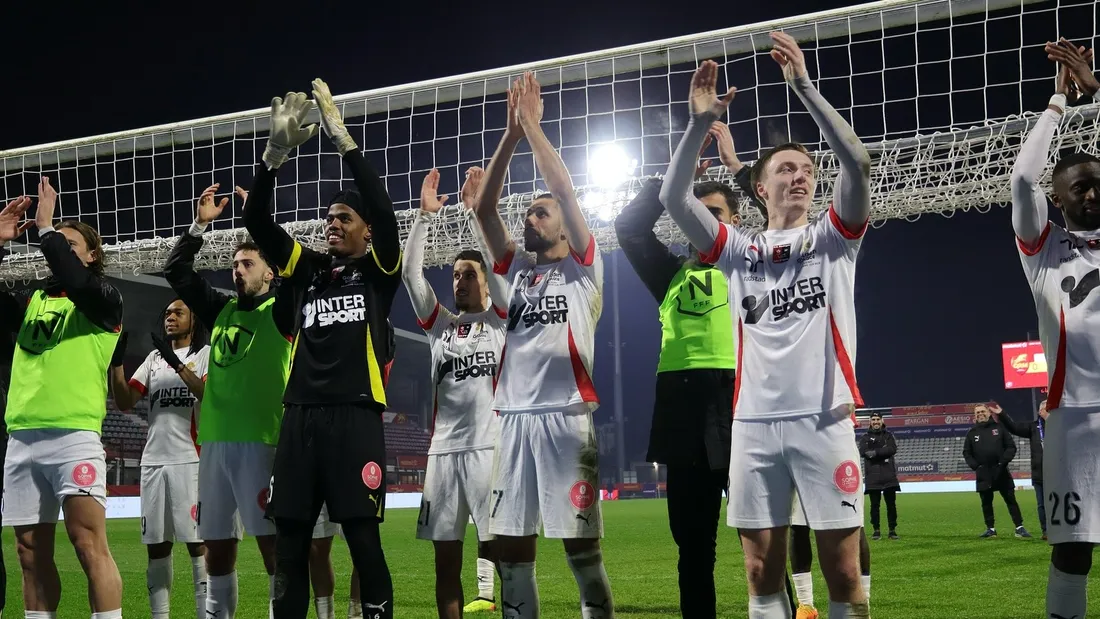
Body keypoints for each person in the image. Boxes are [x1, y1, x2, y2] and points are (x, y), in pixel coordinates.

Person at [659, 31, 873, 619]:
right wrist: (697, 124)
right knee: (759, 572)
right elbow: (672, 198)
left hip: (825, 418)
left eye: (807, 169)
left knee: (845, 570)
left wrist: (802, 86)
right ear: (760, 186)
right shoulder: (736, 247)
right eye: (786, 168)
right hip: (751, 425)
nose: (801, 176)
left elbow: (856, 162)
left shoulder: (834, 238)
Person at [242, 79, 401, 619]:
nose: (332, 224)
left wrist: (346, 145)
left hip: (355, 416)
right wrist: (274, 155)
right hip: (300, 418)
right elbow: (257, 222)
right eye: (329, 219)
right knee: (290, 548)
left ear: (366, 233)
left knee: (362, 541)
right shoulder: (306, 269)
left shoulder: (379, 272)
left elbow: (385, 210)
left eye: (344, 219)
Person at [470, 71, 613, 618]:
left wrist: (533, 126)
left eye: (539, 212)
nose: (529, 218)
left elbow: (566, 191)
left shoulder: (584, 268)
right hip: (511, 421)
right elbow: (484, 211)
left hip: (565, 417)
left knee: (580, 547)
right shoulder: (515, 273)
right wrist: (510, 132)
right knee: (510, 549)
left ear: (563, 226)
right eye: (527, 212)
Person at [615, 120, 748, 619]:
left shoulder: (752, 265)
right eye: (695, 214)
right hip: (685, 421)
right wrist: (681, 173)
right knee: (694, 552)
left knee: (764, 542)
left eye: (713, 215)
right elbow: (629, 227)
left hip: (745, 411)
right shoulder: (671, 275)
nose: (702, 224)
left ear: (733, 224)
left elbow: (775, 219)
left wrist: (737, 168)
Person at [164, 183, 295, 618]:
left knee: (272, 549)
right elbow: (177, 270)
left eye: (248, 264)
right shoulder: (220, 309)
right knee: (216, 548)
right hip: (215, 446)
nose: (237, 270)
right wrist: (200, 224)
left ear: (269, 273)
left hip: (262, 443)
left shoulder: (281, 310)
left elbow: (298, 272)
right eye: (235, 264)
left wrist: (260, 215)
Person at [0, 178, 124, 619]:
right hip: (21, 438)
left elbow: (78, 280)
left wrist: (48, 228)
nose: (63, 253)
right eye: (58, 245)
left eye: (73, 246)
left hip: (73, 435)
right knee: (28, 553)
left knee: (89, 545)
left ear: (92, 257)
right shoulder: (32, 299)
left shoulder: (104, 301)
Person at [1011, 36, 1100, 618]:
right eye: (1080, 187)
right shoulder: (1046, 252)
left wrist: (1099, 95)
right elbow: (1021, 180)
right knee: (1074, 552)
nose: (1092, 192)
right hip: (1074, 418)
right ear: (1058, 199)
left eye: (1099, 183)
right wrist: (1059, 104)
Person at [405, 166, 508, 617]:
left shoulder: (501, 322)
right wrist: (425, 218)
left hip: (491, 449)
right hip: (443, 454)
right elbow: (411, 277)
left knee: (506, 556)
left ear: (485, 282)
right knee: (444, 566)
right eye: (455, 275)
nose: (459, 280)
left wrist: (476, 213)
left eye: (469, 274)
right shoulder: (440, 328)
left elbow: (501, 263)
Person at [108, 300, 210, 619]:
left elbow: (208, 395)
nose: (170, 317)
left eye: (178, 312)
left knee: (197, 545)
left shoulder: (205, 355)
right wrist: (117, 363)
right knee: (157, 546)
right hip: (153, 462)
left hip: (189, 461)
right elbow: (125, 401)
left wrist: (177, 364)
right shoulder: (153, 359)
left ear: (194, 320)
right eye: (166, 313)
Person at [962, 404, 1030, 539]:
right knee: (986, 503)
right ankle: (990, 529)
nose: (980, 414)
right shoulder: (972, 433)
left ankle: (1019, 527)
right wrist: (976, 466)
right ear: (974, 416)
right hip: (983, 473)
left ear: (989, 413)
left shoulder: (999, 428)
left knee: (1010, 500)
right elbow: (967, 453)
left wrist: (1002, 462)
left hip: (1001, 470)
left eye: (982, 411)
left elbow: (1011, 447)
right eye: (977, 412)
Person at [991, 401, 1047, 540]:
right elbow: (1014, 427)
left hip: (1058, 473)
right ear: (1040, 412)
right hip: (1040, 474)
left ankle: (1063, 530)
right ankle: (1046, 531)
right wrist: (1002, 415)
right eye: (1047, 409)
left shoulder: (1059, 426)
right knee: (1042, 505)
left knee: (1059, 502)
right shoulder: (1033, 427)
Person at [858, 412, 900, 540]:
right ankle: (876, 530)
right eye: (873, 419)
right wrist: (883, 451)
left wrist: (875, 452)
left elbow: (892, 450)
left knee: (891, 505)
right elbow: (863, 452)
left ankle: (892, 530)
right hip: (873, 477)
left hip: (889, 476)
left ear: (882, 420)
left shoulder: (889, 436)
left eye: (878, 419)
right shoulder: (865, 437)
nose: (875, 421)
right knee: (874, 506)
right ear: (870, 421)